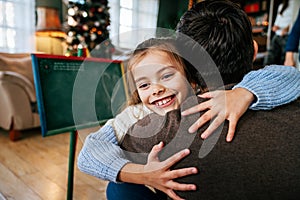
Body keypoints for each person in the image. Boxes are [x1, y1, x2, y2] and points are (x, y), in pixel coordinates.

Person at [78, 3, 300, 200]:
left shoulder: (164, 125)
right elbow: (90, 153)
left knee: (119, 190)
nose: (157, 90)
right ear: (253, 50)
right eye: (144, 84)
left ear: (187, 71)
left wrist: (245, 92)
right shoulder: (136, 118)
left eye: (166, 75)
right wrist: (143, 174)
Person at [264, 0, 295, 65]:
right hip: (278, 34)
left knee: (283, 58)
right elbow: (278, 20)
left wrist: (287, 28)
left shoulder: (295, 4)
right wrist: (275, 26)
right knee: (270, 56)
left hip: (287, 35)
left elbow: (294, 21)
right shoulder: (281, 6)